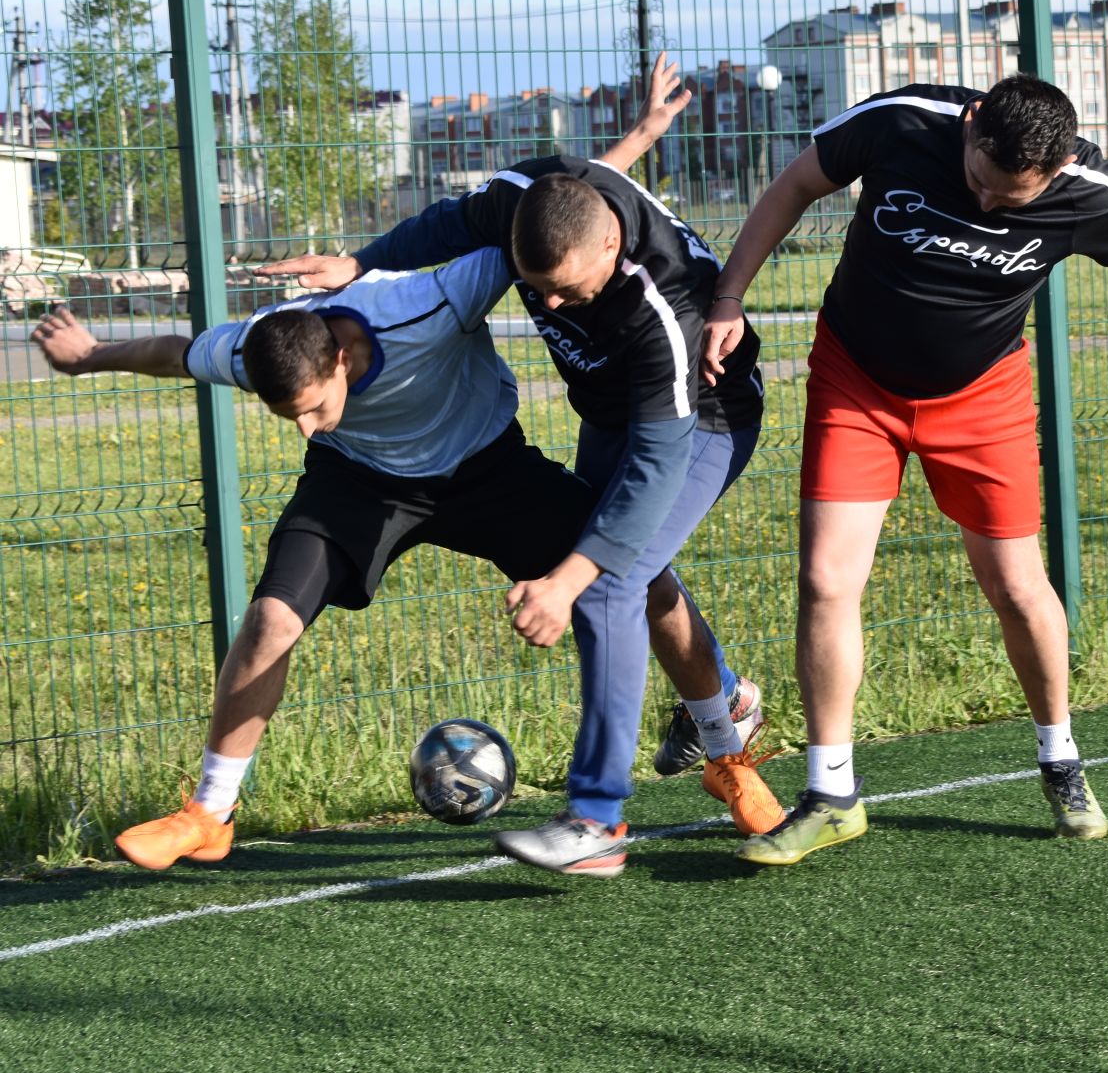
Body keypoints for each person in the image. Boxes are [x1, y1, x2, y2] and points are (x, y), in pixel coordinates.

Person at [700, 74, 1108, 866]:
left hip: (983, 402)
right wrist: (730, 295)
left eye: (1012, 202)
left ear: (1055, 170)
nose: (987, 206)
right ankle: (831, 792)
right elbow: (796, 185)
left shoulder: (1087, 192)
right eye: (981, 180)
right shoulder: (902, 123)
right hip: (857, 379)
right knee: (826, 579)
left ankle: (1061, 760)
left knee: (1015, 585)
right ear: (972, 125)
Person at [260, 57, 780, 872]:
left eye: (571, 290)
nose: (557, 305)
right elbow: (446, 223)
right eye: (542, 292)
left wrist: (569, 577)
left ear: (611, 244)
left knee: (608, 577)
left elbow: (653, 469)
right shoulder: (527, 200)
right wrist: (359, 265)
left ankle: (598, 824)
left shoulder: (661, 315)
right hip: (610, 412)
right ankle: (727, 716)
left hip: (699, 419)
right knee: (636, 577)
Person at [33, 250, 677, 877]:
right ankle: (210, 813)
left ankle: (724, 736)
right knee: (269, 621)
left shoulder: (427, 306)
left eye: (314, 407)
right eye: (290, 416)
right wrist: (89, 356)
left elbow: (519, 234)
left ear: (341, 358)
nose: (306, 428)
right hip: (361, 482)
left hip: (490, 468)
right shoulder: (256, 350)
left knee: (632, 574)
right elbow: (174, 353)